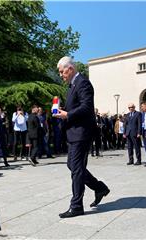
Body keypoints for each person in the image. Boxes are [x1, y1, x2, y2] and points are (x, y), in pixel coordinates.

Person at [54, 56, 110, 218]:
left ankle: (76, 206)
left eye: (61, 72)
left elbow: (86, 107)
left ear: (70, 69)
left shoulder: (83, 83)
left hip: (82, 133)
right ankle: (99, 188)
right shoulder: (72, 86)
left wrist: (67, 115)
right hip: (73, 133)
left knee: (76, 169)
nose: (61, 75)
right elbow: (76, 107)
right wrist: (61, 111)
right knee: (72, 166)